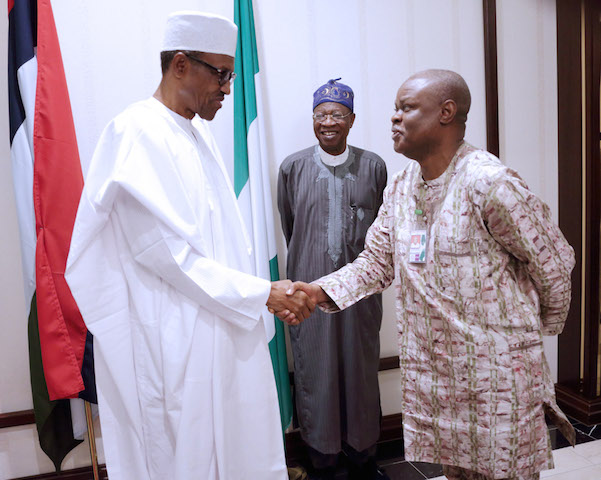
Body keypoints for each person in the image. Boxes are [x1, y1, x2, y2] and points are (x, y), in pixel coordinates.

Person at [285, 69, 576, 480]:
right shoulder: (401, 187)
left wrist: (532, 334)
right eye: (394, 109)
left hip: (496, 382)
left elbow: (553, 262)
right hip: (439, 382)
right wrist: (315, 292)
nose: (394, 118)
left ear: (446, 113)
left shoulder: (489, 183)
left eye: (406, 108)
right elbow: (376, 262)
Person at [65, 11, 313, 480]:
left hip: (218, 324)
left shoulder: (196, 135)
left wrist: (257, 292)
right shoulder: (136, 132)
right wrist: (261, 293)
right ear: (180, 64)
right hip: (174, 342)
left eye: (230, 75)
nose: (226, 88)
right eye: (220, 74)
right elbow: (169, 257)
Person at [277, 79, 388, 480]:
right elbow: (292, 226)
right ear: (312, 120)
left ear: (352, 120)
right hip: (308, 290)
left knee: (360, 372)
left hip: (361, 296)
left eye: (337, 115)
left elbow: (383, 232)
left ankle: (363, 457)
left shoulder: (374, 166)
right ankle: (322, 459)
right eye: (321, 115)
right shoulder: (292, 167)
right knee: (316, 373)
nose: (328, 122)